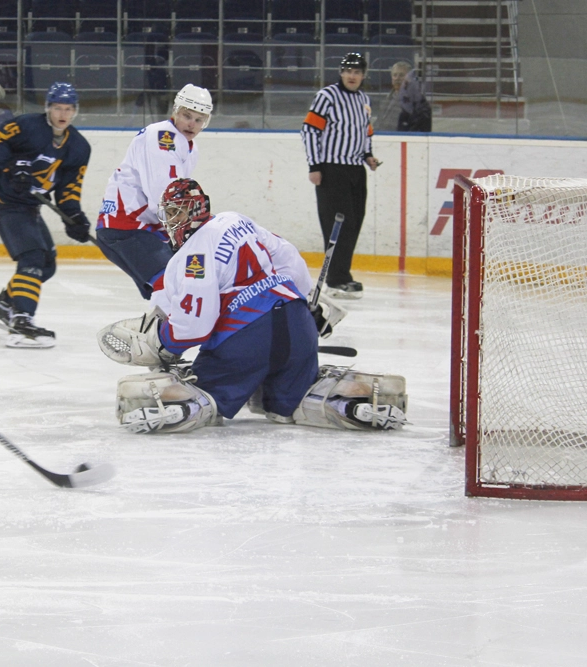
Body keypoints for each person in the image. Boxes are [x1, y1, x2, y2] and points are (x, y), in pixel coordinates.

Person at [96, 178, 408, 434]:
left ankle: (180, 405)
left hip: (245, 341)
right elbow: (289, 258)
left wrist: (164, 343)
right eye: (170, 213)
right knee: (292, 400)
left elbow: (195, 325)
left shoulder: (191, 256)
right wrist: (306, 306)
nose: (173, 221)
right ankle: (346, 402)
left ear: (194, 210)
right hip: (298, 327)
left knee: (203, 392)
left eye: (177, 212)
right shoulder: (236, 220)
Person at [0, 81, 93, 349]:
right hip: (3, 200)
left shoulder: (79, 147)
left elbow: (69, 189)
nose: (63, 114)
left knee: (46, 264)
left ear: (75, 111)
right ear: (48, 108)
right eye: (58, 108)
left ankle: (2, 306)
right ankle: (22, 320)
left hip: (28, 206)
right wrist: (11, 164)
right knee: (32, 257)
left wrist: (74, 217)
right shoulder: (27, 125)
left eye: (68, 109)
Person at [95, 84, 213, 300]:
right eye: (187, 116)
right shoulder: (163, 137)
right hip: (127, 226)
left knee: (175, 287)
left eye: (199, 120)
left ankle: (161, 320)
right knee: (174, 286)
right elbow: (163, 199)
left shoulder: (189, 146)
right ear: (175, 111)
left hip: (143, 227)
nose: (191, 124)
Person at [300, 52, 380, 299]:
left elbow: (365, 131)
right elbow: (309, 130)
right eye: (348, 71)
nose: (352, 76)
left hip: (356, 170)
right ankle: (336, 279)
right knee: (337, 224)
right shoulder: (327, 97)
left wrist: (368, 155)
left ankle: (342, 274)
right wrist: (315, 166)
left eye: (357, 72)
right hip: (332, 170)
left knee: (354, 223)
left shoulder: (364, 99)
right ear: (341, 73)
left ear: (363, 75)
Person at [374, 61, 432, 133]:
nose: (397, 78)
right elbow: (378, 123)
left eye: (401, 75)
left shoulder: (417, 102)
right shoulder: (387, 99)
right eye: (395, 75)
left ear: (409, 79)